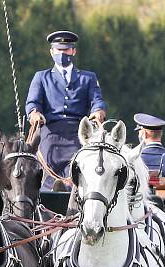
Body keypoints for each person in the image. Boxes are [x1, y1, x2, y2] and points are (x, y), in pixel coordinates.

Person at [26, 30, 107, 191]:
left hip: (79, 134)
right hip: (50, 133)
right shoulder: (41, 77)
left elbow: (97, 100)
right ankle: (48, 198)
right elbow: (32, 102)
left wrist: (98, 110)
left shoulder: (88, 78)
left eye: (66, 49)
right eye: (58, 49)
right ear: (52, 52)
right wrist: (34, 113)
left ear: (73, 51)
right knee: (46, 172)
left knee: (83, 171)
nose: (62, 53)